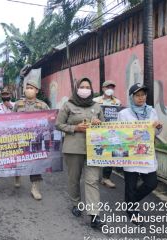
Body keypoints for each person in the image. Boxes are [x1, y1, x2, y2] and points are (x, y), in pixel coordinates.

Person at [55, 77, 105, 229]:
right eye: (82, 86)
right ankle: (76, 203)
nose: (84, 89)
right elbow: (58, 124)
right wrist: (75, 128)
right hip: (73, 148)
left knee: (92, 180)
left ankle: (94, 214)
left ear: (91, 89)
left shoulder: (97, 106)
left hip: (94, 149)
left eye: (87, 86)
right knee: (74, 179)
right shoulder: (68, 105)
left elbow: (105, 128)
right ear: (77, 89)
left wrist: (99, 124)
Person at [117, 83, 163, 225]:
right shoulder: (123, 114)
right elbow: (118, 134)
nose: (141, 98)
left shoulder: (151, 112)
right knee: (130, 185)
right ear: (132, 97)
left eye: (143, 95)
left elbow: (155, 132)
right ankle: (132, 211)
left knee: (151, 183)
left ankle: (130, 202)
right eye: (137, 95)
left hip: (146, 155)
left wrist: (159, 128)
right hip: (131, 155)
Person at [13, 78, 49, 200]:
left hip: (36, 139)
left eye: (31, 88)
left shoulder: (43, 105)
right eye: (27, 88)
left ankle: (35, 187)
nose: (29, 90)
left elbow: (50, 120)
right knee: (18, 159)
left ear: (36, 91)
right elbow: (10, 120)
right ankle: (17, 175)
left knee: (35, 163)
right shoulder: (18, 104)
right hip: (20, 138)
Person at [93, 80, 121, 188]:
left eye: (112, 87)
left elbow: (119, 115)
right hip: (98, 131)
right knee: (96, 152)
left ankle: (106, 178)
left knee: (109, 154)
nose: (110, 89)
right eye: (108, 87)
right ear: (103, 88)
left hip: (112, 132)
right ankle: (93, 176)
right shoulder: (95, 101)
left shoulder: (117, 102)